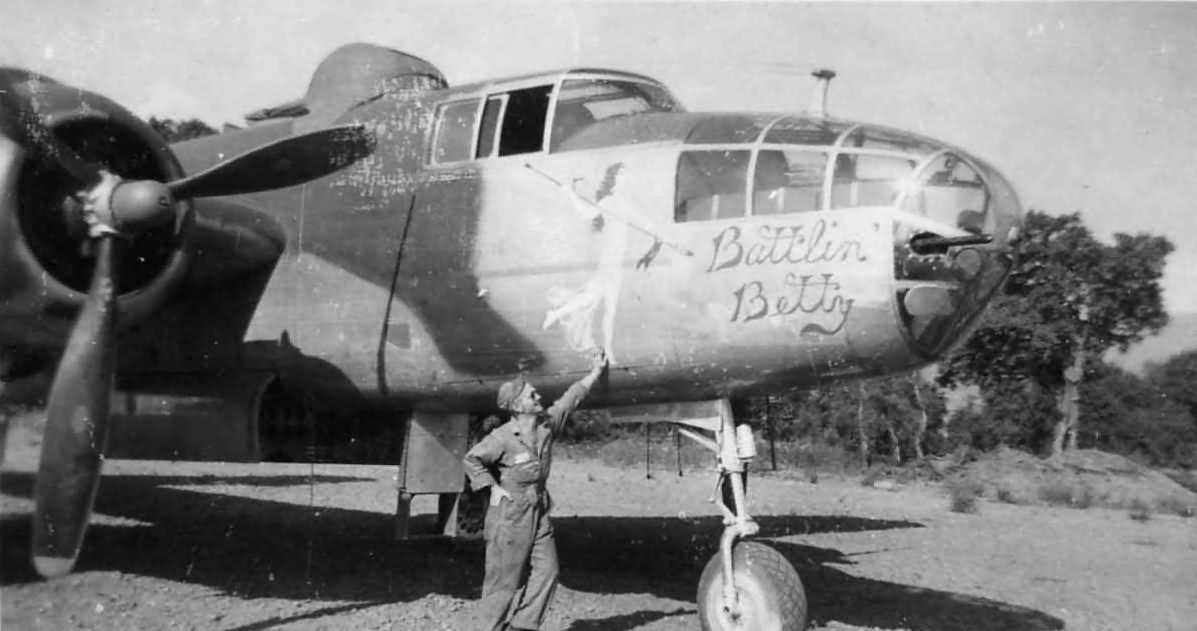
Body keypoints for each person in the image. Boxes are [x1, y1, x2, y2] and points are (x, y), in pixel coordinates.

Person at [464, 350, 608, 631]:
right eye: (532, 395)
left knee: (547, 571)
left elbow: (570, 400)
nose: (538, 397)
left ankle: (522, 626)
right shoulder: (502, 437)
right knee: (502, 585)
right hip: (510, 515)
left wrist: (595, 372)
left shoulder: (545, 427)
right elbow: (472, 459)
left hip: (539, 510)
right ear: (517, 406)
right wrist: (491, 487)